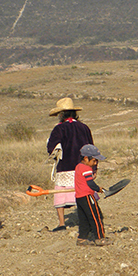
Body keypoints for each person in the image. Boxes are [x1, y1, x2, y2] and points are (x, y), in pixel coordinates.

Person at [46, 97, 93, 232]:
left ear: (61, 115)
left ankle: (62, 223)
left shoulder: (59, 129)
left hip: (65, 167)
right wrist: (94, 168)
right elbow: (91, 148)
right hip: (83, 166)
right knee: (83, 193)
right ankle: (87, 221)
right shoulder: (84, 128)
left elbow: (52, 148)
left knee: (60, 193)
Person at [74, 144, 109, 246]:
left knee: (84, 219)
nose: (95, 163)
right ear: (86, 158)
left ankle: (82, 238)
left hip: (79, 197)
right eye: (94, 160)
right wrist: (98, 189)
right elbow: (90, 183)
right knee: (96, 217)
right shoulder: (86, 169)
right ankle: (100, 238)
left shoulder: (78, 167)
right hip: (87, 197)